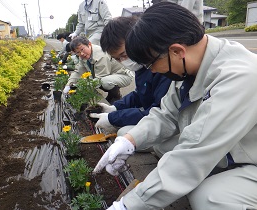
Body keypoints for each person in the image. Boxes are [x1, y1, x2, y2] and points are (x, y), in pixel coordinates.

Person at [93, 2, 257, 210]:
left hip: (251, 162)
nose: (151, 72)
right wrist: (129, 141)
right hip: (233, 152)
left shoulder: (238, 77)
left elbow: (193, 155)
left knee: (209, 197)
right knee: (165, 149)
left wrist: (127, 206)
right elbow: (165, 114)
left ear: (177, 50)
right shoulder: (189, 67)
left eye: (151, 64)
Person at [89, 16, 172, 135]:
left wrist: (113, 118)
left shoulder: (161, 64)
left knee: (124, 133)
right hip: (157, 114)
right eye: (117, 59)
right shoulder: (141, 66)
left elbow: (158, 112)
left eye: (124, 54)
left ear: (137, 39)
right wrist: (115, 108)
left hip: (168, 120)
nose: (123, 61)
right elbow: (140, 95)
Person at [63, 36, 133, 104]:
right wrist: (69, 85)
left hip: (123, 75)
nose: (81, 54)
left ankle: (115, 96)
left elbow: (99, 77)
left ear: (89, 44)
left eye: (82, 49)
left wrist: (80, 87)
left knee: (103, 82)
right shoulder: (83, 56)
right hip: (111, 74)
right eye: (77, 52)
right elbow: (78, 71)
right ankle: (111, 96)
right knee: (98, 81)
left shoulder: (100, 55)